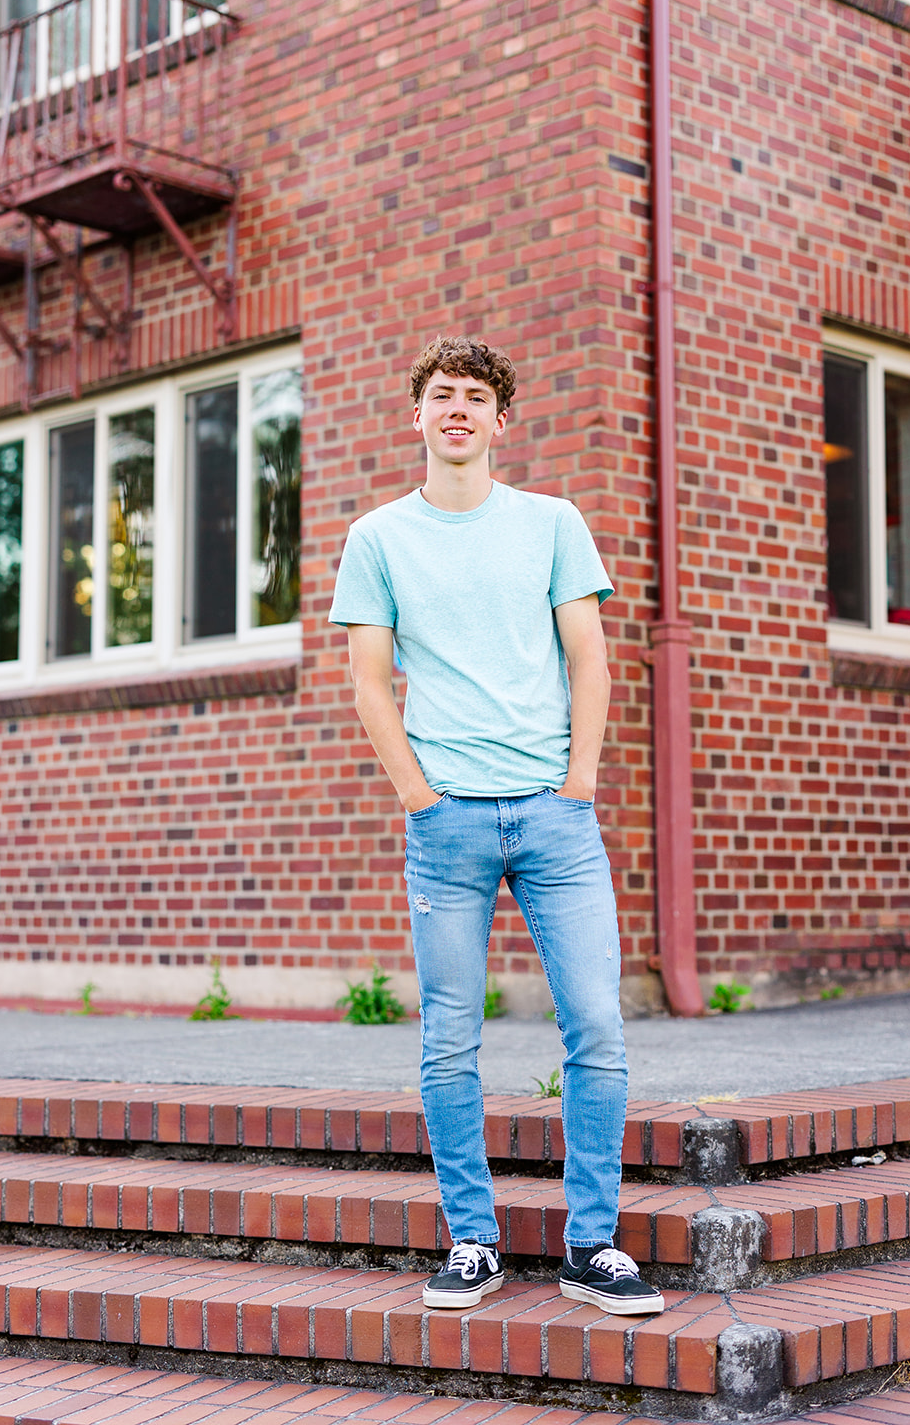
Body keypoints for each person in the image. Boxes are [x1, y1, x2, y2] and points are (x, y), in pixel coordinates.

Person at [328, 334, 664, 1317]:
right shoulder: (377, 536)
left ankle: (590, 1243)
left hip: (557, 822)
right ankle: (470, 1241)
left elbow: (589, 660)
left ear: (500, 419)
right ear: (417, 414)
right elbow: (366, 682)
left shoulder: (552, 522)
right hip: (447, 824)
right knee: (446, 1041)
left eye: (476, 396)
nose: (458, 409)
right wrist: (419, 799)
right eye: (442, 395)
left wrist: (578, 783)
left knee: (596, 1027)